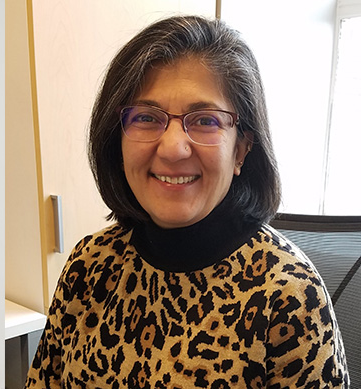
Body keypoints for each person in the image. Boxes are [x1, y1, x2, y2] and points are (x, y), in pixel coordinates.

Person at [25, 15, 349, 388]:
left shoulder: (289, 296)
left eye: (205, 121)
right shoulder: (89, 266)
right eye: (147, 117)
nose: (174, 148)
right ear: (118, 138)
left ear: (241, 149)